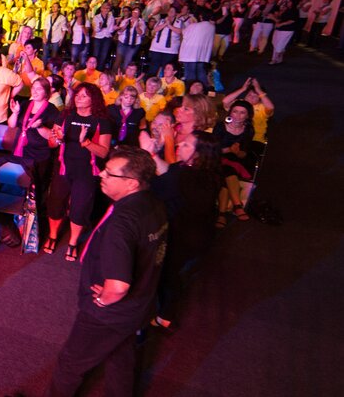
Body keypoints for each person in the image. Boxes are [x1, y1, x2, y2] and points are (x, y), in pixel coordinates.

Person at [48, 146, 167, 397]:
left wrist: (103, 299)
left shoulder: (122, 223)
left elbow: (119, 286)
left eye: (110, 173)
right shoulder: (153, 203)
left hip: (109, 314)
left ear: (132, 183)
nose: (101, 174)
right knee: (120, 359)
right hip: (139, 306)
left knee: (70, 365)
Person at [149, 131, 221, 330]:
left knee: (169, 275)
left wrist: (151, 157)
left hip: (183, 236)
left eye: (187, 145)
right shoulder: (204, 174)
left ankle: (165, 317)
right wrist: (154, 155)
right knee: (171, 274)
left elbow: (160, 185)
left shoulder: (186, 177)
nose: (180, 144)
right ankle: (165, 313)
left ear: (198, 154)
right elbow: (169, 171)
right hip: (194, 234)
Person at [45, 83, 112, 261]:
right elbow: (51, 143)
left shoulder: (101, 121)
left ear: (94, 100)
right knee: (55, 203)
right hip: (63, 168)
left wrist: (87, 142)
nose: (78, 98)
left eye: (84, 95)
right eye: (77, 95)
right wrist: (57, 139)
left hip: (87, 172)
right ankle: (52, 236)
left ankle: (73, 242)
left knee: (79, 208)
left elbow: (104, 152)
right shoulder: (66, 115)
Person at [7, 77, 60, 221]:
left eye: (39, 89)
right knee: (17, 184)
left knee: (37, 188)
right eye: (33, 88)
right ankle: (16, 218)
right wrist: (16, 112)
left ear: (47, 92)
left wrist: (40, 127)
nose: (35, 91)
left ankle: (35, 222)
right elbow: (11, 125)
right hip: (20, 151)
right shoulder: (25, 104)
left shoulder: (52, 110)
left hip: (39, 156)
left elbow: (53, 137)